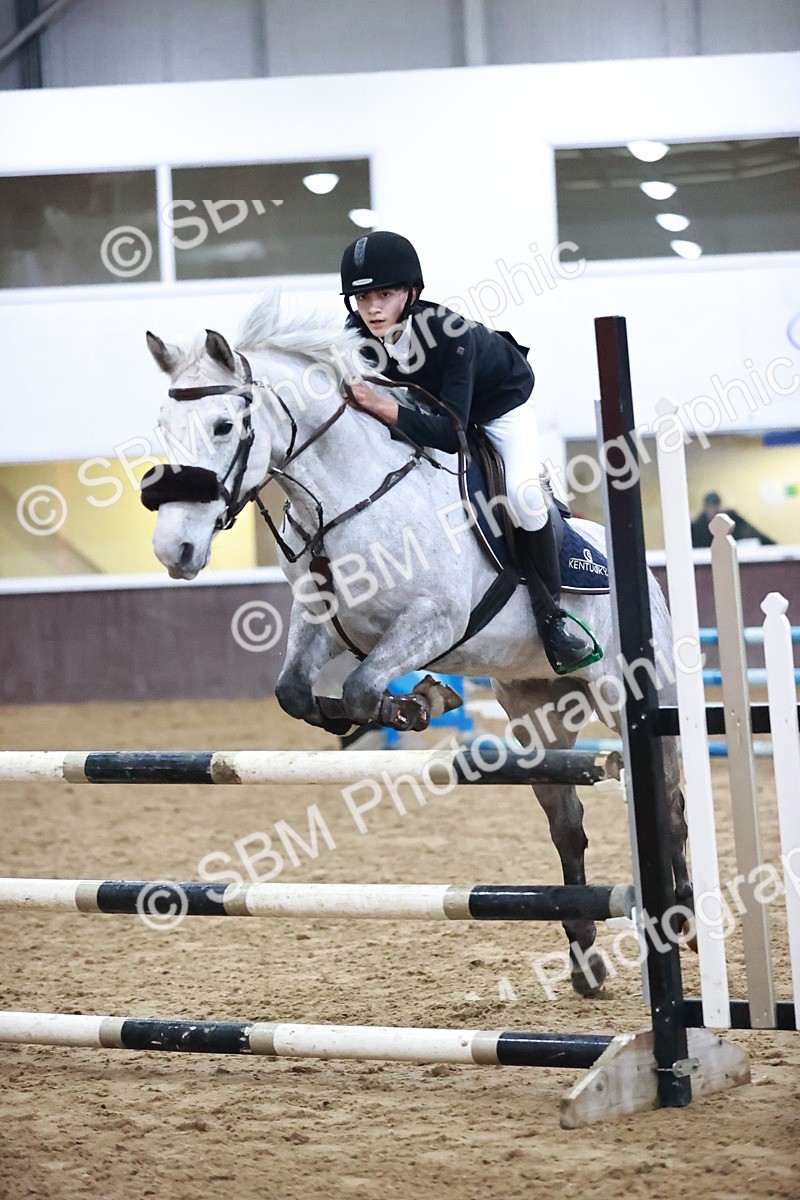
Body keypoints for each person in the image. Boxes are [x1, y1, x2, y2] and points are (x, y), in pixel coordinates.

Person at [339, 229, 596, 675]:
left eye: (385, 294)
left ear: (411, 292)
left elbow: (452, 432)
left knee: (522, 497)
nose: (373, 309)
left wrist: (382, 405)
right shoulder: (355, 336)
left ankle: (552, 617)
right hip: (431, 403)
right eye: (362, 299)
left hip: (498, 407)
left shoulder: (447, 333)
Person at [690, 491, 776, 549]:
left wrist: (773, 547)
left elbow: (754, 534)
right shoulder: (697, 528)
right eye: (710, 507)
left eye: (716, 507)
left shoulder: (733, 521)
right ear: (705, 507)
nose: (714, 511)